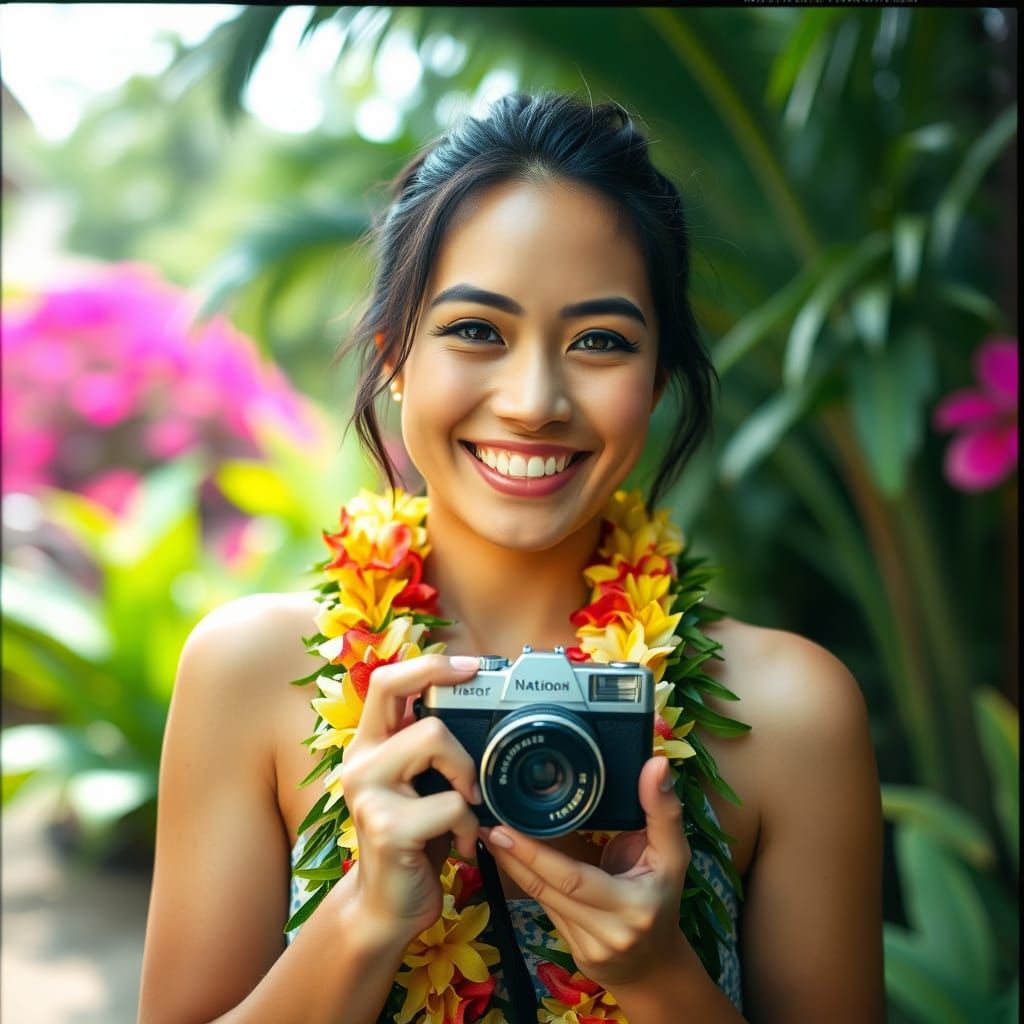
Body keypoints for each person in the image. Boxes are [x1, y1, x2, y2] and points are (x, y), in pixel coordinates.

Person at [138, 92, 883, 1024]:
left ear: (656, 382)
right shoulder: (252, 676)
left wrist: (653, 976)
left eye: (600, 342)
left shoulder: (790, 713)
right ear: (394, 356)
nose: (534, 400)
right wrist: (365, 916)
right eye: (476, 330)